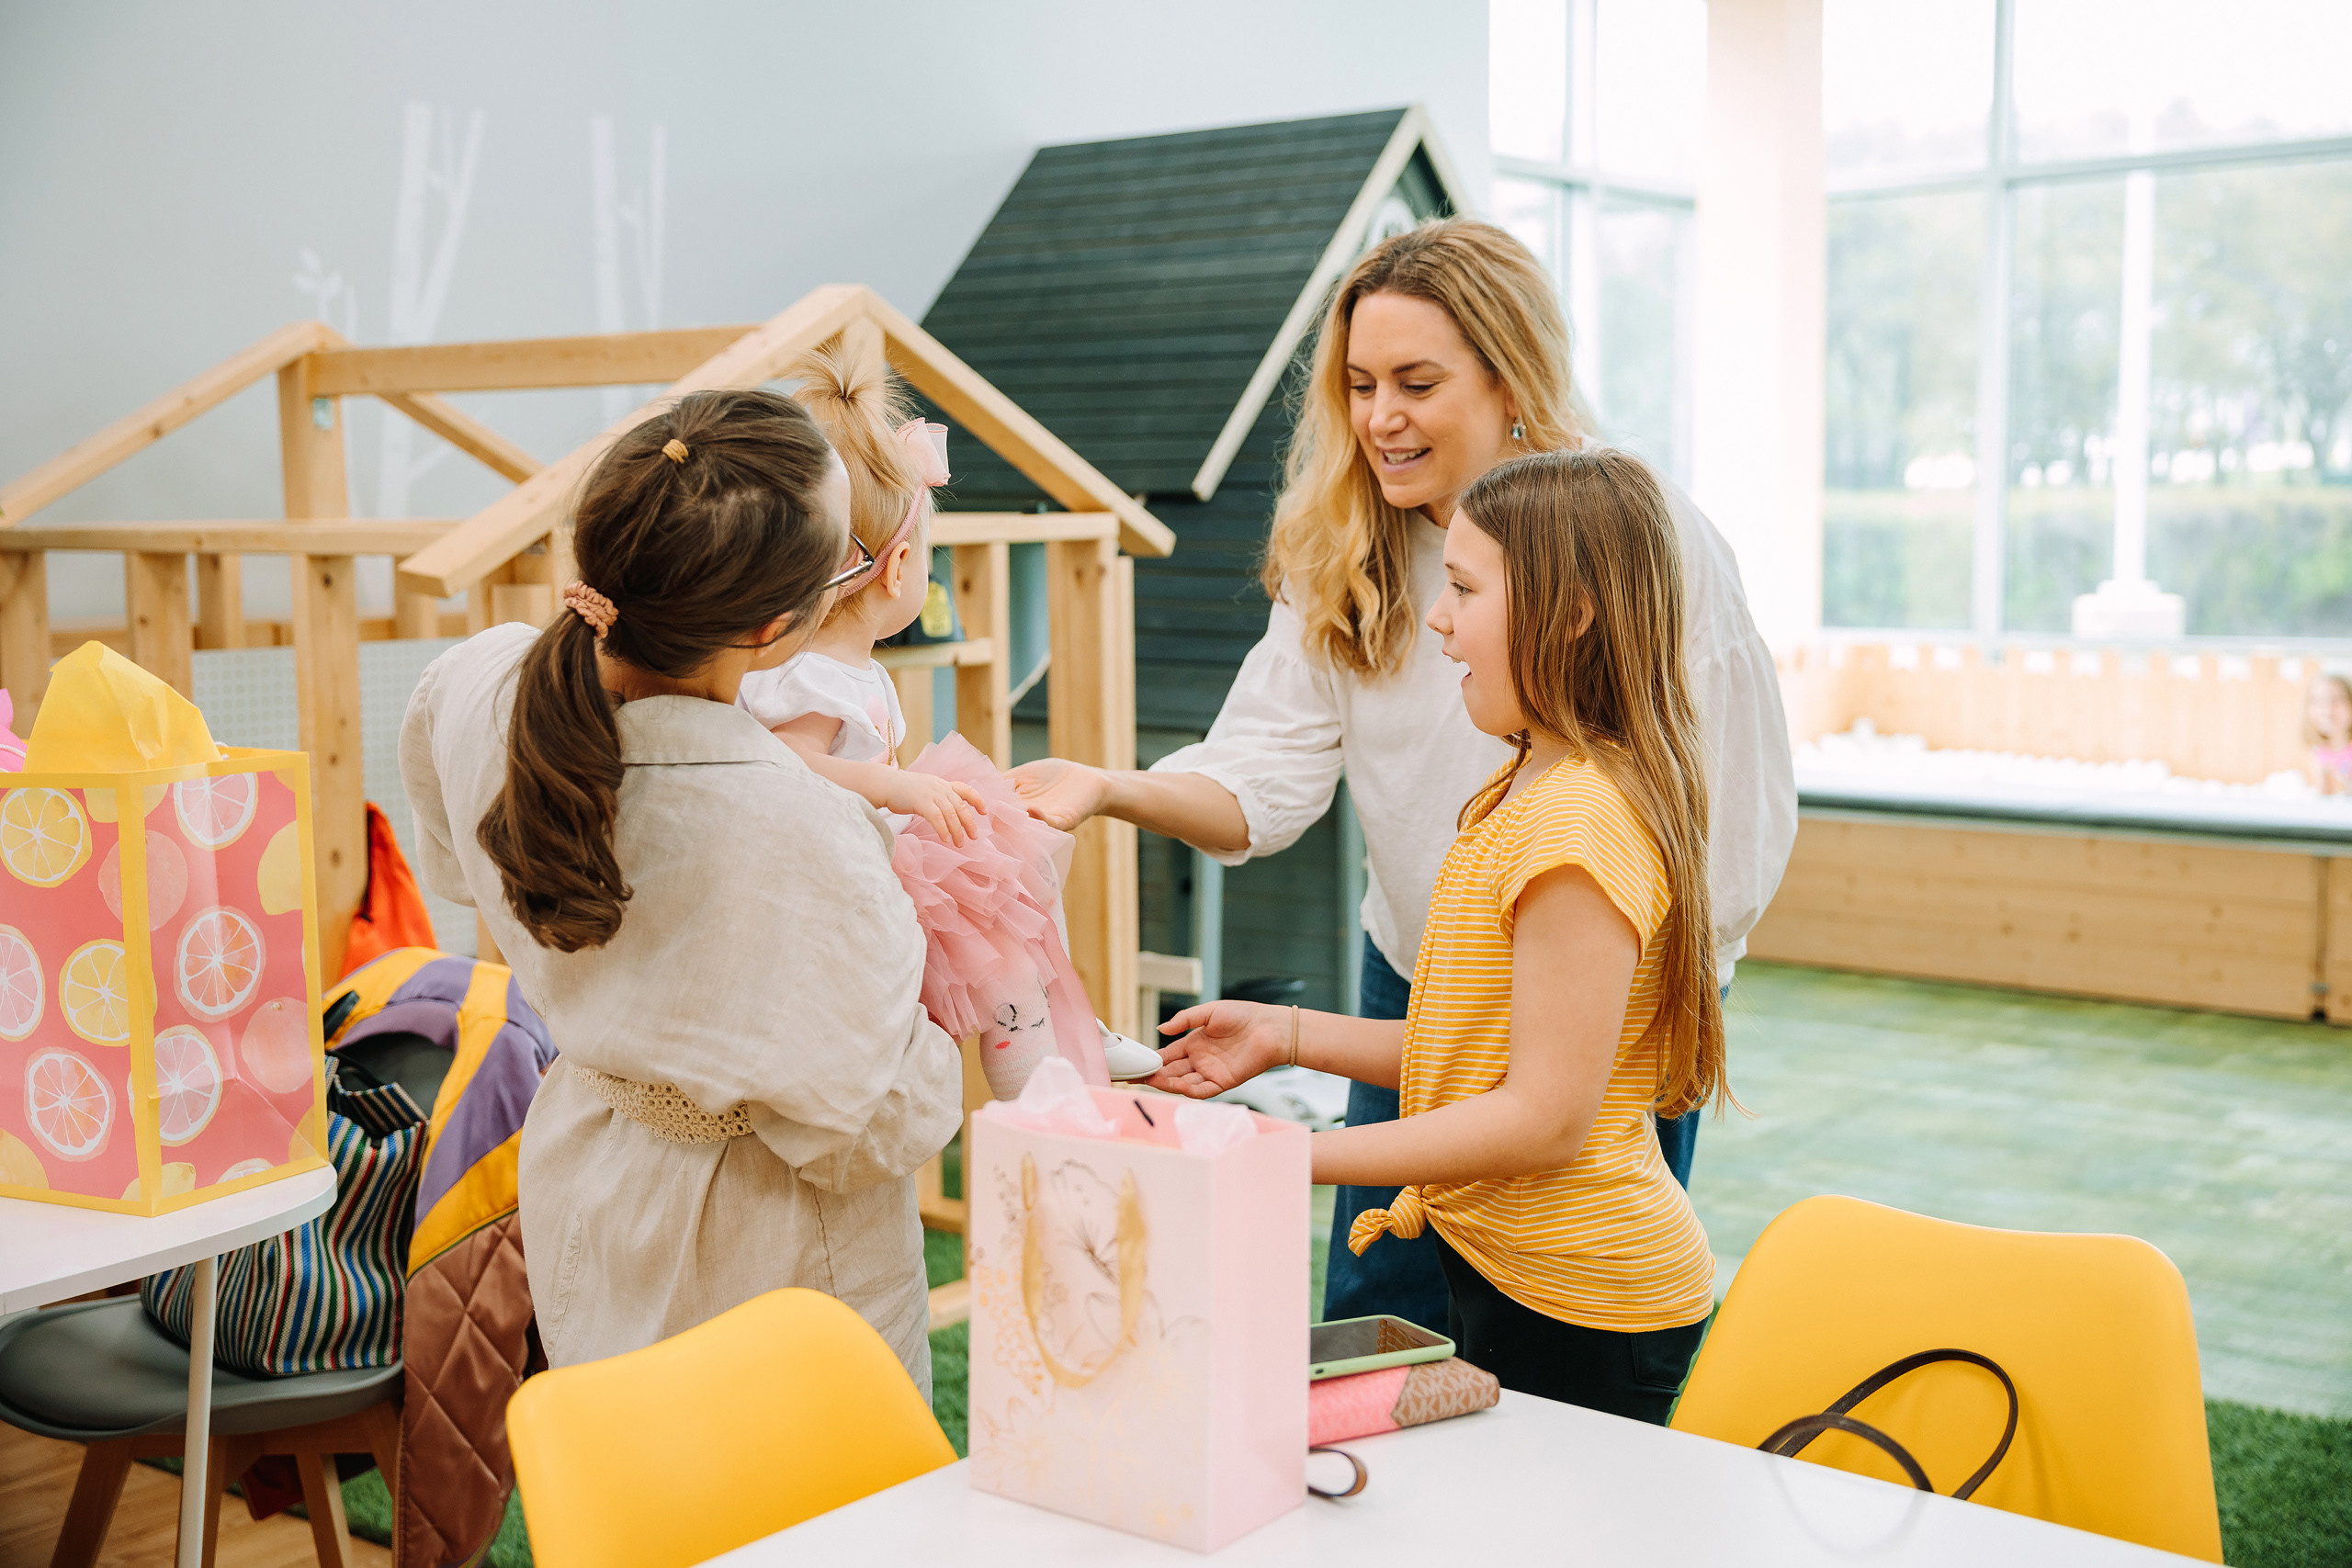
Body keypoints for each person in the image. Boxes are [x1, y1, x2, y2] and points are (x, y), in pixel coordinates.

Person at [1009, 219, 1795, 1333]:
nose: (1380, 418)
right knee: (1384, 1317)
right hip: (1421, 980)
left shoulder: (1643, 540)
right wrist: (1108, 786)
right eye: (1360, 384)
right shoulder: (1348, 546)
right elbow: (1261, 776)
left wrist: (1638, 1003)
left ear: (1510, 377)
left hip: (1600, 997)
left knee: (1554, 1317)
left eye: (1416, 383)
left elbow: (1731, 815)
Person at [399, 389, 962, 1393]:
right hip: (771, 1256)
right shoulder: (801, 827)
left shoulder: (476, 684)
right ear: (779, 624)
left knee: (624, 1495)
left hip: (586, 1176)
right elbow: (881, 1123)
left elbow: (459, 873)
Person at [1150, 448, 1723, 1418]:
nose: (1439, 617)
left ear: (1572, 611)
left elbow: (1541, 1120)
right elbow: (1481, 1058)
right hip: (1514, 1273)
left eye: (1462, 587)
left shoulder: (1577, 826)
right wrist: (1282, 1037)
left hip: (1591, 1305)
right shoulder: (1527, 784)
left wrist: (1280, 1154)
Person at [737, 340, 1161, 1097]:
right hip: (862, 869)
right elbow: (784, 769)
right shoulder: (808, 677)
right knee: (996, 920)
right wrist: (898, 790)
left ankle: (1059, 1017)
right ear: (899, 571)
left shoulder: (844, 667)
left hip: (888, 846)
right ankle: (1033, 1073)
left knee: (1026, 849)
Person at [2305, 672, 2352, 795]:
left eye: (2337, 699)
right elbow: (2323, 799)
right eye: (2320, 701)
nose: (2328, 708)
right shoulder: (2317, 753)